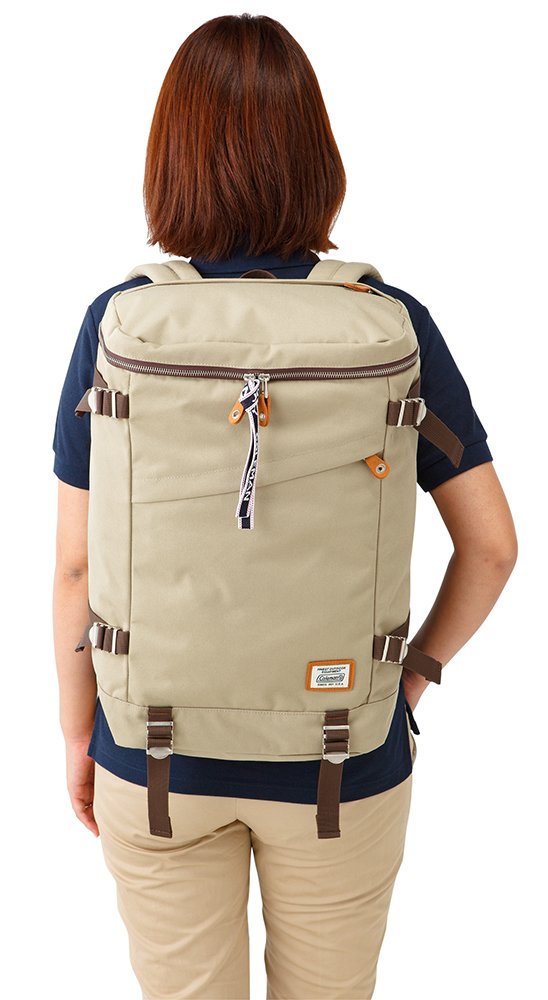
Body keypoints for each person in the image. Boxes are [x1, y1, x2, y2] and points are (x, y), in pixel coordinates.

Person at [51, 13, 518, 1000]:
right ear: (317, 155)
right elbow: (491, 547)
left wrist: (78, 733)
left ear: (168, 160)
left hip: (153, 753)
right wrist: (406, 681)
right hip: (343, 756)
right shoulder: (392, 325)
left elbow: (77, 567)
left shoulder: (119, 323)